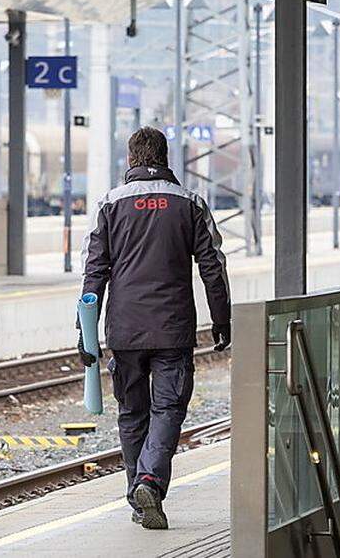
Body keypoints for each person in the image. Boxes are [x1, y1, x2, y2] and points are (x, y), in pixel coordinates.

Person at [77, 126, 231, 530]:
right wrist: (221, 318)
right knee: (168, 409)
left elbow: (93, 274)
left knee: (132, 413)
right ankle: (148, 482)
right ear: (165, 159)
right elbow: (212, 267)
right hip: (172, 328)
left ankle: (140, 498)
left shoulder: (109, 204)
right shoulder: (190, 203)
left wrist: (85, 333)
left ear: (131, 160)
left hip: (124, 329)